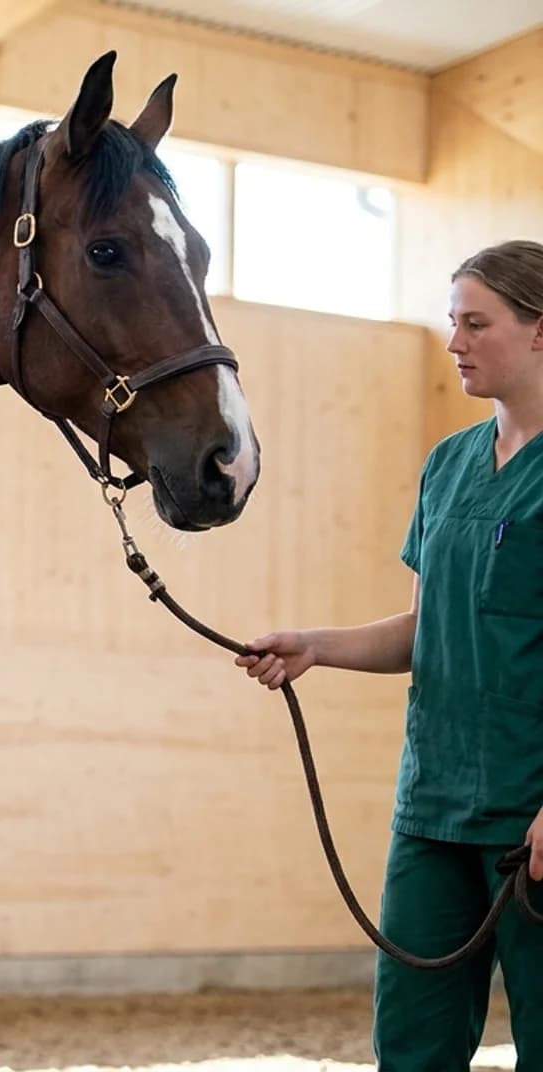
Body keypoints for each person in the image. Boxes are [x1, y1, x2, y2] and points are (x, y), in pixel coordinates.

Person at [234, 240, 543, 1069]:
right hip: (433, 809)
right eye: (452, 322)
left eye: (476, 323)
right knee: (410, 1045)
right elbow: (425, 628)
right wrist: (315, 647)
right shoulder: (447, 468)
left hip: (532, 814)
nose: (454, 342)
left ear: (541, 331)